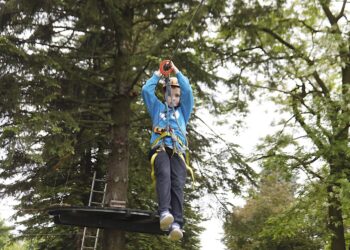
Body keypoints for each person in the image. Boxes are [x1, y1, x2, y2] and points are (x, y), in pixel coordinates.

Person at [141, 60, 194, 240]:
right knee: (164, 174)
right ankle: (165, 212)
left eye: (177, 95)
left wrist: (176, 71)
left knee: (178, 183)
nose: (174, 98)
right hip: (161, 148)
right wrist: (159, 74)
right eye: (171, 95)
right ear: (165, 95)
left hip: (178, 150)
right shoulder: (157, 108)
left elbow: (188, 92)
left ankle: (176, 223)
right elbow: (146, 91)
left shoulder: (184, 111)